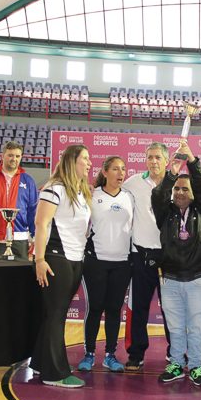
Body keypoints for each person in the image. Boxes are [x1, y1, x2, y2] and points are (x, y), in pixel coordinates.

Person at [30, 144, 92, 388]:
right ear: (71, 161)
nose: (89, 163)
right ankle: (55, 373)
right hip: (57, 259)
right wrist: (39, 259)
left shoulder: (79, 192)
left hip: (76, 260)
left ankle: (39, 362)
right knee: (56, 316)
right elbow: (41, 224)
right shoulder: (54, 189)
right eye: (84, 159)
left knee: (53, 315)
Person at [152, 140, 201, 387]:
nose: (180, 193)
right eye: (177, 189)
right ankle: (176, 363)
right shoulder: (164, 212)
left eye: (185, 190)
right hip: (171, 278)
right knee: (175, 326)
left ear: (193, 193)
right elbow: (159, 194)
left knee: (195, 327)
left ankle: (196, 366)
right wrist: (173, 172)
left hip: (197, 278)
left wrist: (193, 161)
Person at [77, 156, 134, 373]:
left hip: (122, 263)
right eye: (115, 169)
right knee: (95, 308)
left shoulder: (130, 197)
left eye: (123, 169)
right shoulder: (92, 194)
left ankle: (110, 354)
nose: (120, 173)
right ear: (105, 171)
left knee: (113, 309)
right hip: (96, 262)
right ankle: (89, 353)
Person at [123, 142, 172, 371]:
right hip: (140, 254)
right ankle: (136, 353)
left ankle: (175, 352)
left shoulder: (177, 183)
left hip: (170, 256)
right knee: (138, 306)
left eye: (158, 158)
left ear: (166, 161)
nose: (153, 162)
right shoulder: (132, 182)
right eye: (150, 157)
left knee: (172, 308)